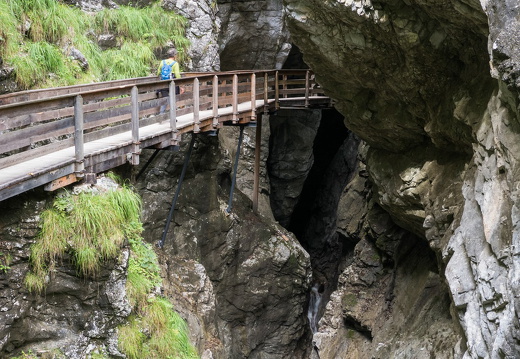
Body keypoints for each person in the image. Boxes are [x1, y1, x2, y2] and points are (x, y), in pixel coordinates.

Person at [157, 48, 182, 113]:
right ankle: (173, 117)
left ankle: (161, 115)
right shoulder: (175, 63)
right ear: (174, 56)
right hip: (172, 84)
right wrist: (181, 86)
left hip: (163, 84)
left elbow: (158, 73)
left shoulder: (162, 62)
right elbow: (177, 75)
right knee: (173, 100)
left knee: (165, 100)